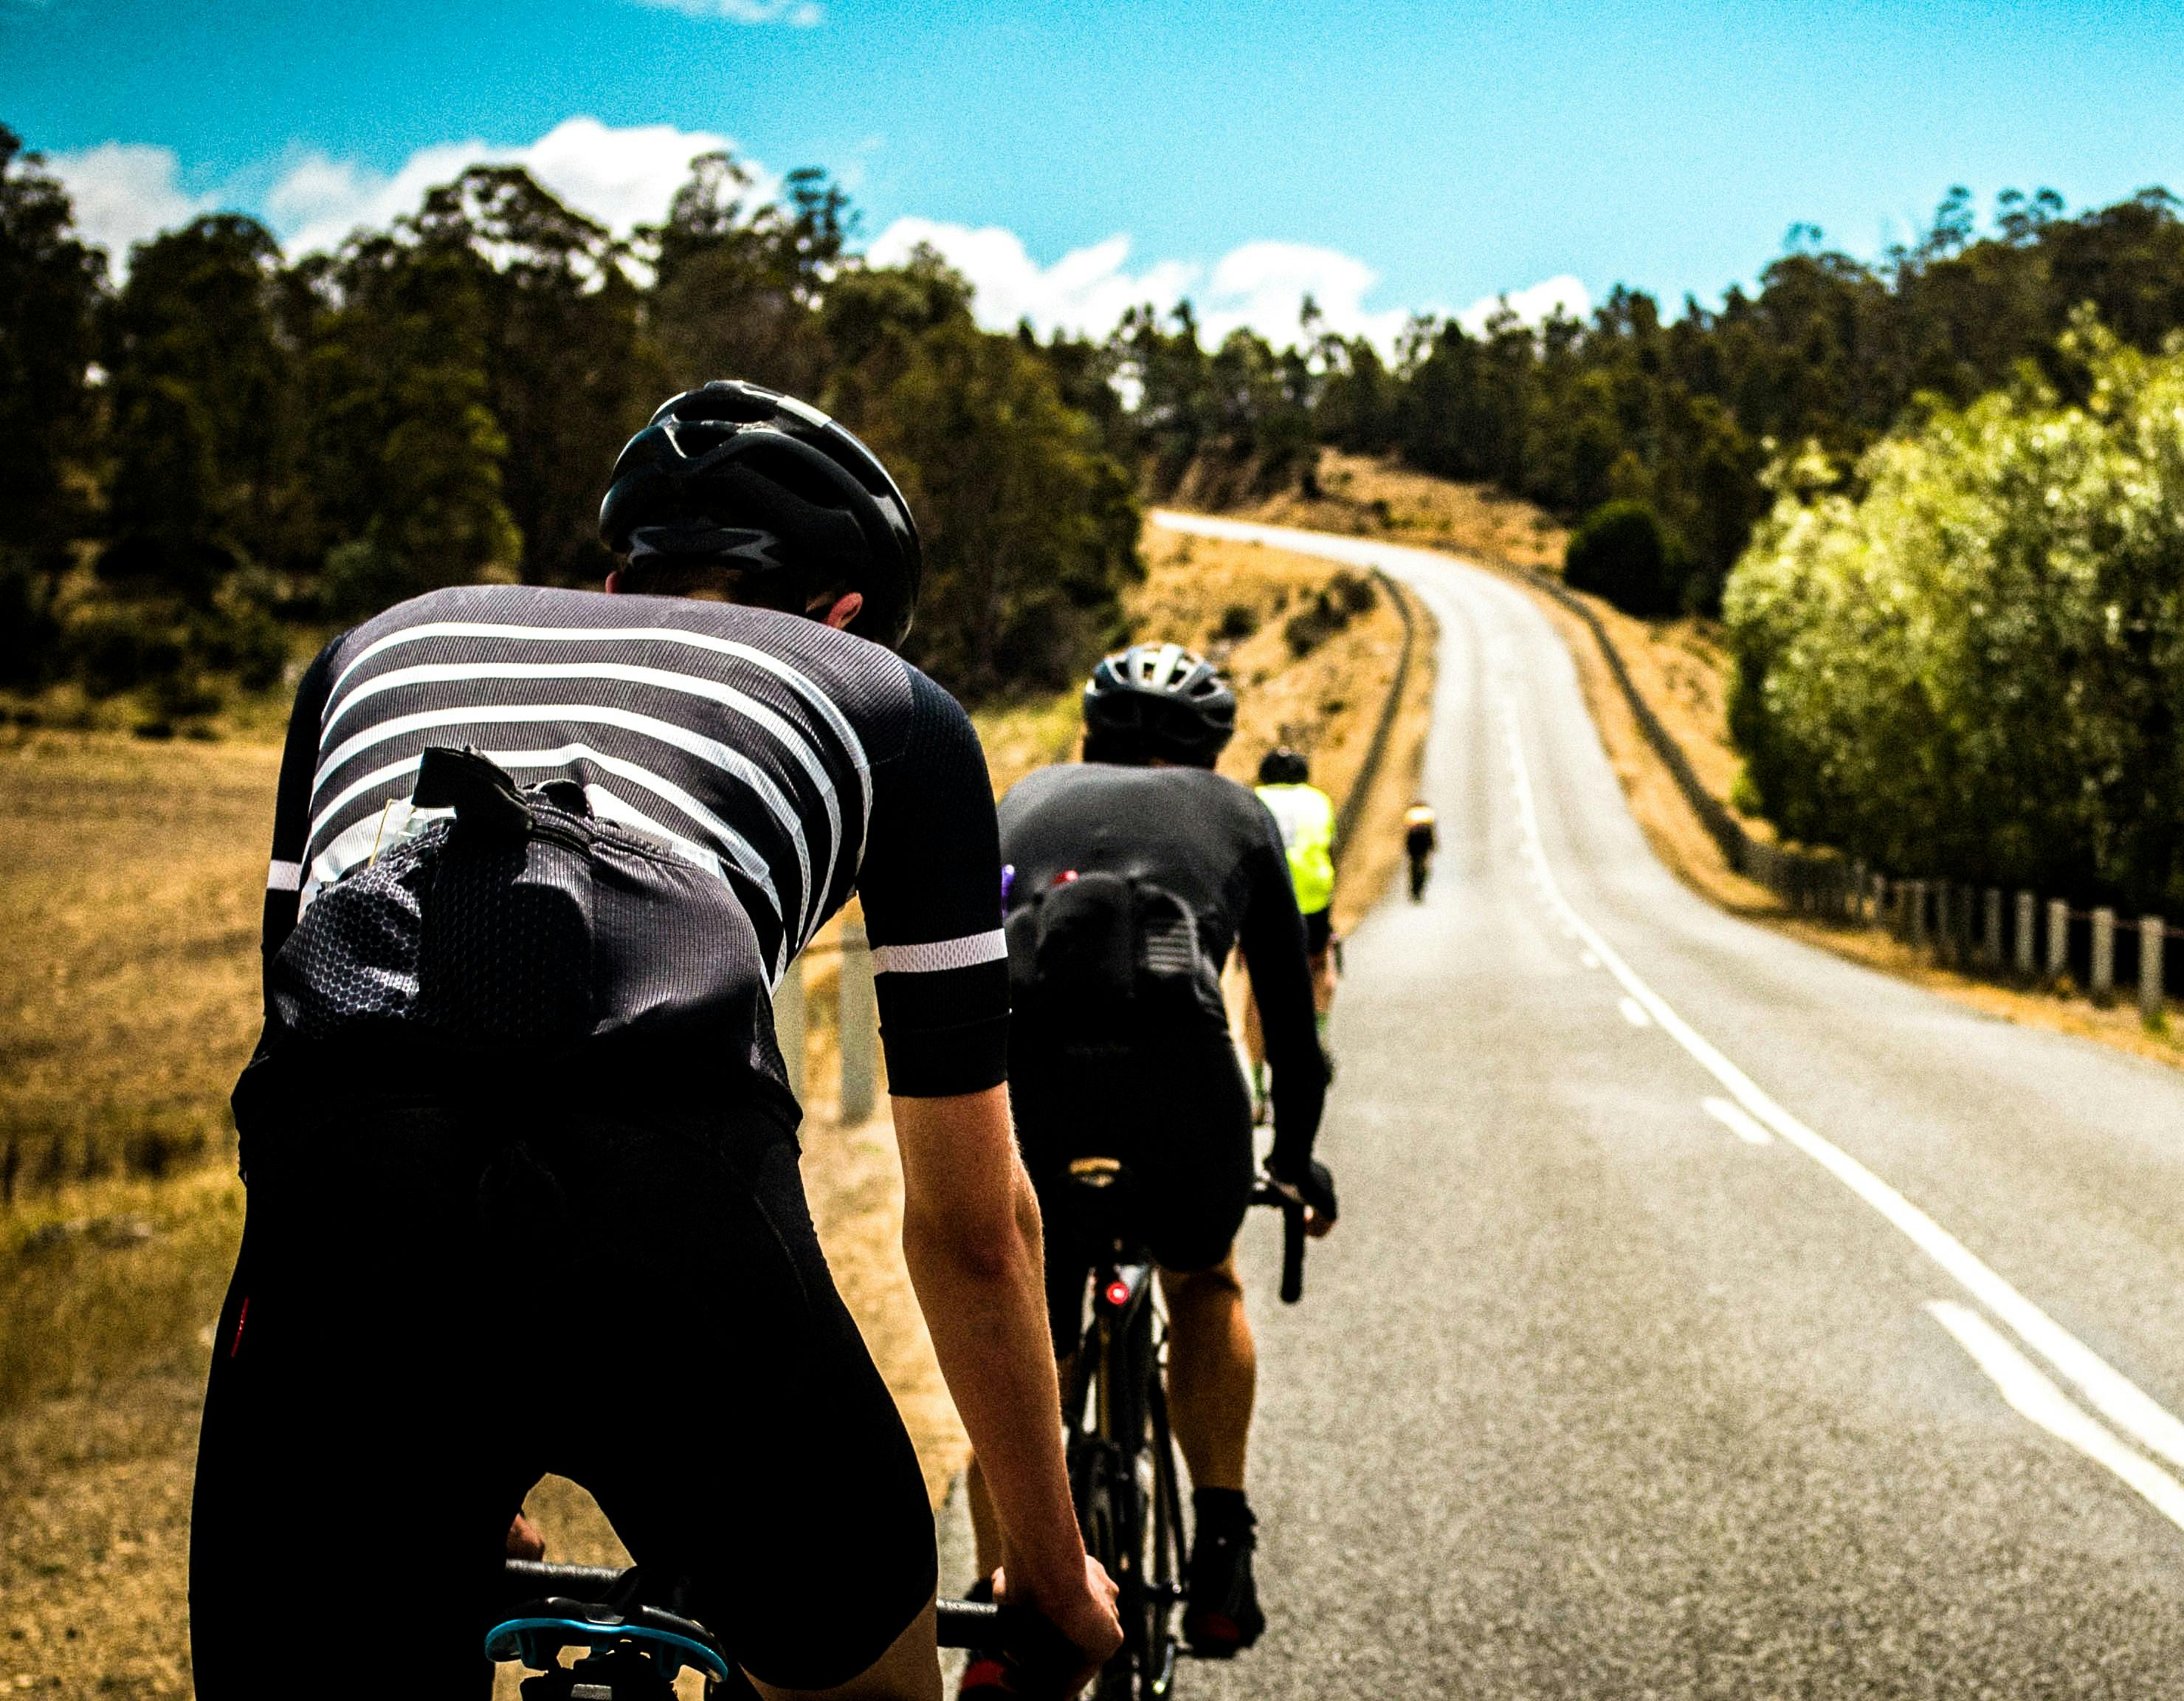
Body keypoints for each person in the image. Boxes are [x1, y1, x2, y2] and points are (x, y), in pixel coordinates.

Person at [190, 381, 1119, 1700]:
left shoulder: (365, 649)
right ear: (845, 614)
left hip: (346, 1222)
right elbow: (974, 1226)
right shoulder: (894, 705)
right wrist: (1050, 1567)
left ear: (616, 581)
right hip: (666, 1174)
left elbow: (297, 1061)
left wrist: (437, 1439)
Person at [966, 643, 1338, 1669]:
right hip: (1185, 1086)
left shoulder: (1025, 796)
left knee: (1025, 1340)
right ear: (1214, 750)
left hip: (1028, 1075)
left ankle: (1001, 1609)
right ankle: (1221, 1546)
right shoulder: (1243, 816)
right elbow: (1293, 1035)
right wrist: (1297, 1157)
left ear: (1091, 734)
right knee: (1204, 1276)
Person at [1250, 746, 1340, 1028]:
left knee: (1256, 987)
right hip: (1313, 900)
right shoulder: (1319, 800)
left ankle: (1254, 1070)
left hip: (1264, 906)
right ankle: (1319, 1032)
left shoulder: (1253, 800)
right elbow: (1330, 852)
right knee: (1319, 967)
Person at [1402, 802, 1437, 903]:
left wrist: (1432, 845)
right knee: (1416, 870)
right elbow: (1409, 838)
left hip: (1421, 850)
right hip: (1415, 850)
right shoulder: (1418, 822)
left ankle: (1418, 892)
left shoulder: (1422, 823)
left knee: (1422, 870)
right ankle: (1415, 892)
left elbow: (1430, 835)